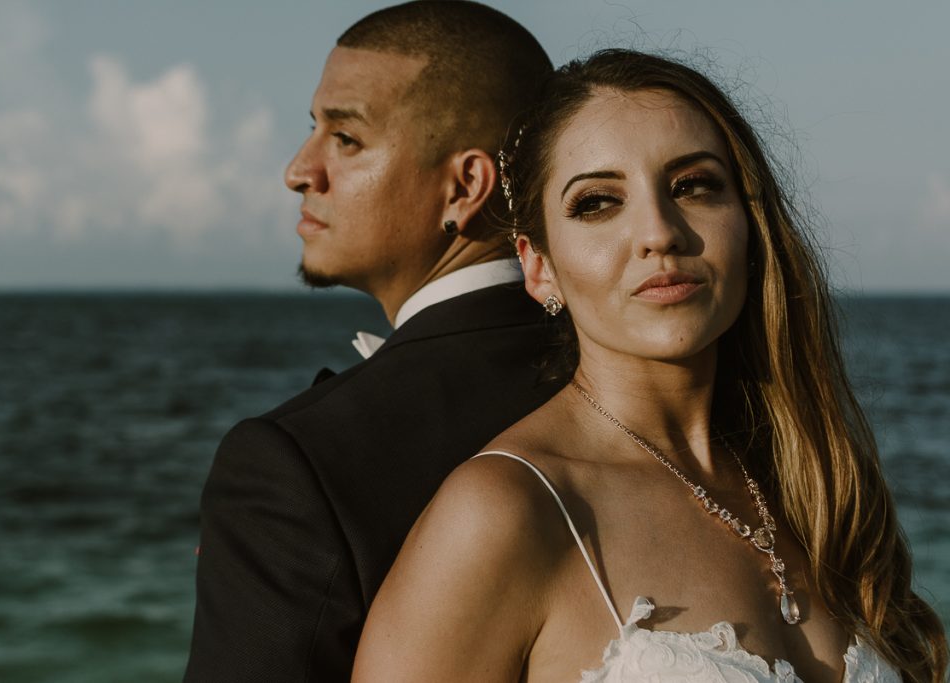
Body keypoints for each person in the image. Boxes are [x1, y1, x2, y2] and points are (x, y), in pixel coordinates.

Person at [352, 49, 948, 683]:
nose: (659, 232)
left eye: (694, 186)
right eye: (598, 203)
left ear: (750, 226)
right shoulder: (507, 511)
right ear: (538, 265)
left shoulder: (818, 486)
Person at [183, 3, 559, 681]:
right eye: (312, 130)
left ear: (466, 184)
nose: (299, 170)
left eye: (346, 138)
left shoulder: (293, 466)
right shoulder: (643, 381)